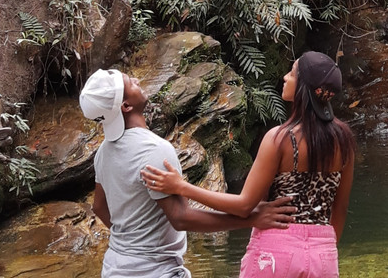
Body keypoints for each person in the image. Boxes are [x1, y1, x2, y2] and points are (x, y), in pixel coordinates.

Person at [142, 51, 356, 278]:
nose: (285, 77)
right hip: (323, 253)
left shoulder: (280, 139)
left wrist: (181, 187)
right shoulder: (344, 141)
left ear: (303, 87)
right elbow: (339, 210)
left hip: (276, 250)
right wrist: (322, 247)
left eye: (292, 73)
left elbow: (244, 205)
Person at [80, 68, 295, 278]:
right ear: (126, 105)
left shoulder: (103, 153)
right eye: (130, 82)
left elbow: (99, 206)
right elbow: (181, 218)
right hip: (155, 270)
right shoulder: (154, 150)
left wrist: (130, 241)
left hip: (114, 267)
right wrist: (252, 219)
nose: (136, 79)